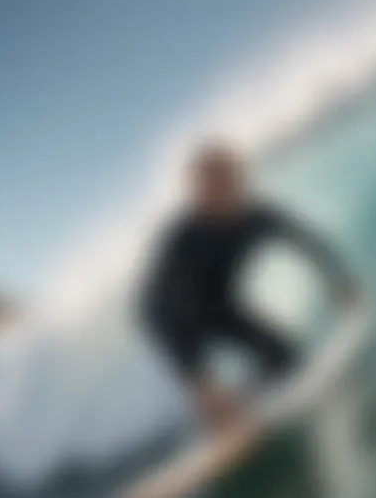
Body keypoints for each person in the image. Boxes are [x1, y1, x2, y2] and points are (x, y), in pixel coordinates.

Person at [140, 142, 362, 430]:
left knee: (285, 357)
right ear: (199, 194)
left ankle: (248, 403)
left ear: (237, 182)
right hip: (180, 318)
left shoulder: (255, 216)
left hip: (223, 308)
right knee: (204, 381)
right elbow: (156, 311)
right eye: (209, 190)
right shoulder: (182, 238)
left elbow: (303, 238)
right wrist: (198, 380)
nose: (220, 196)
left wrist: (339, 279)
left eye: (228, 184)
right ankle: (216, 408)